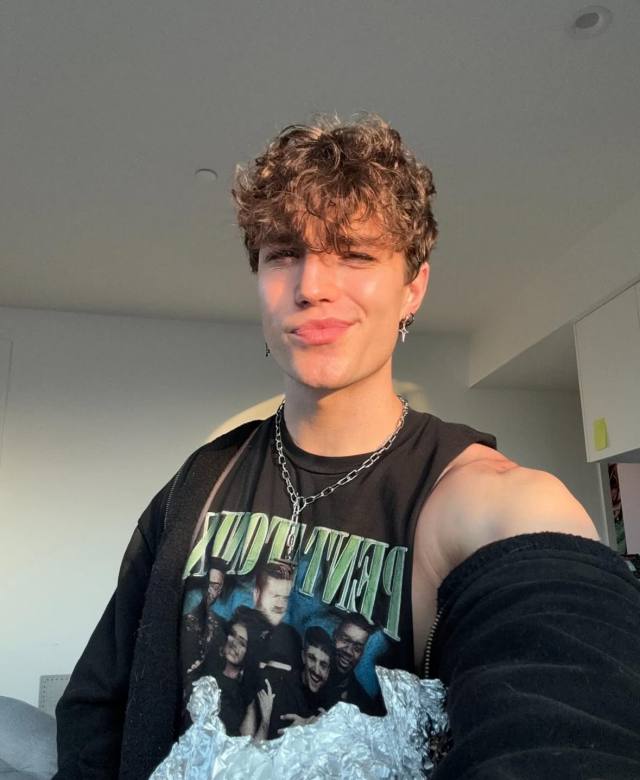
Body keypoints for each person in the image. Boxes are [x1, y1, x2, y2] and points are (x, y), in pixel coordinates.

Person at [55, 114, 640, 779]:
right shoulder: (197, 484)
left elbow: (571, 724)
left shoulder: (490, 501)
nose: (311, 286)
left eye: (355, 254)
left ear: (413, 288)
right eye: (283, 253)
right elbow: (97, 713)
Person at [323, 613, 376, 714]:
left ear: (362, 654)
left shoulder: (364, 706)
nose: (348, 651)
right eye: (345, 640)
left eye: (357, 648)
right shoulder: (306, 672)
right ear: (334, 635)